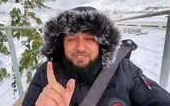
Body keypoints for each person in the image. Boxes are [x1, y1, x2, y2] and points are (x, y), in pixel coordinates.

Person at [22, 6, 170, 106]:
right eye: (72, 39)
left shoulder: (125, 70)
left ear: (102, 44)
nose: (80, 47)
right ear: (61, 45)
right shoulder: (46, 75)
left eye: (90, 39)